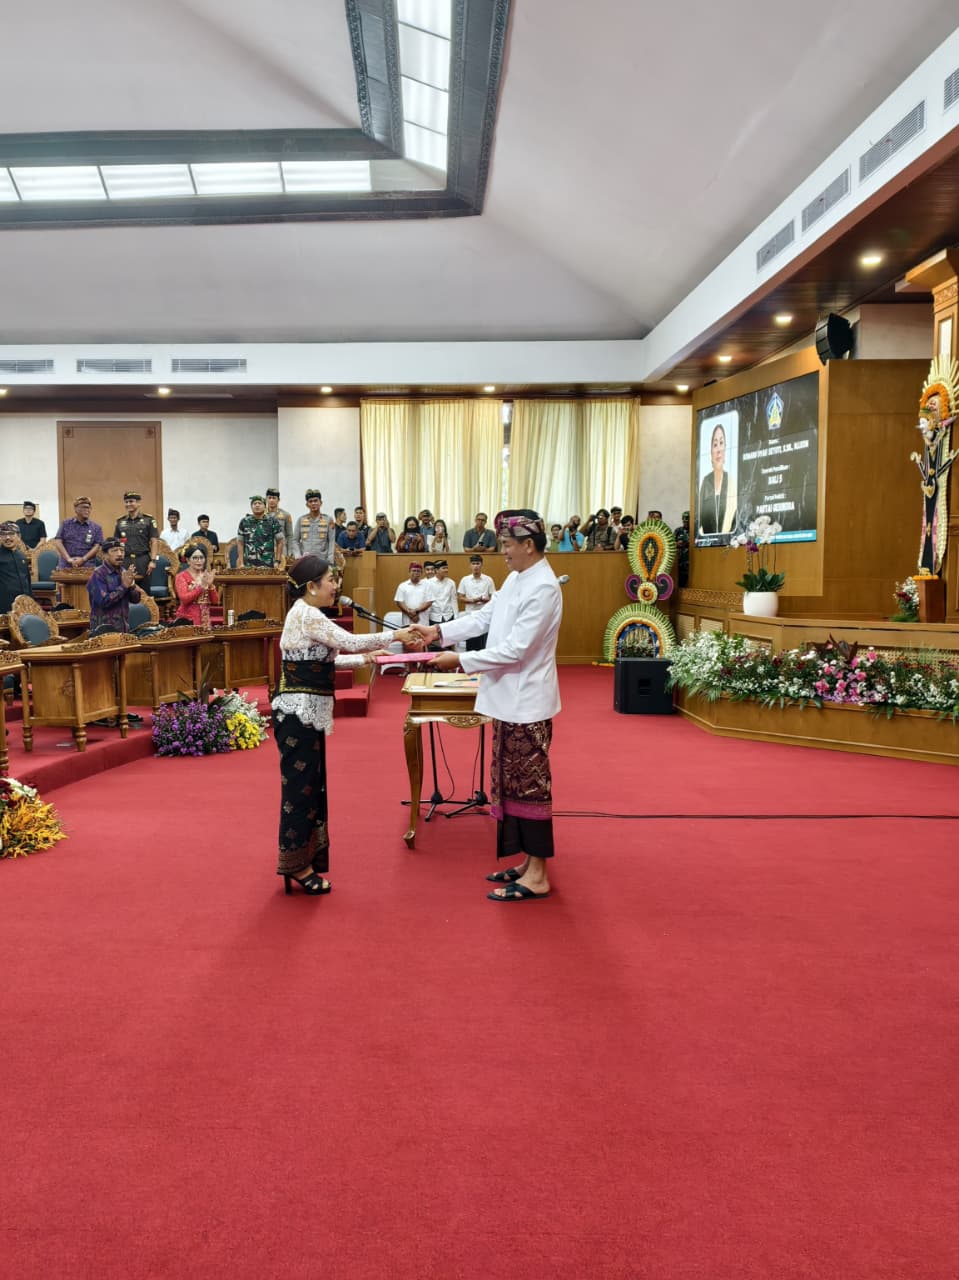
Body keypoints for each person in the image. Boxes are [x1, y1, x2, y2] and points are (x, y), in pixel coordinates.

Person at [413, 510, 562, 902]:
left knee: (530, 787)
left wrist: (461, 660)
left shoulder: (544, 587)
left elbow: (517, 650)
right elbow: (483, 617)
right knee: (510, 784)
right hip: (507, 699)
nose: (504, 554)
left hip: (527, 700)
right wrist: (440, 632)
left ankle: (539, 875)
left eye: (508, 546)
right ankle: (528, 864)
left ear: (529, 545)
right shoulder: (516, 578)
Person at [271, 554, 415, 895]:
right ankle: (297, 866)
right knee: (300, 791)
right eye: (331, 580)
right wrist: (396, 637)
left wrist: (367, 658)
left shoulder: (308, 616)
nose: (337, 585)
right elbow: (348, 641)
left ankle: (303, 859)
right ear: (311, 586)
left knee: (310, 787)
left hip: (304, 714)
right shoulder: (307, 614)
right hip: (297, 715)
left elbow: (323, 660)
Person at [87, 538, 142, 634]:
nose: (120, 554)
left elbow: (136, 600)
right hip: (103, 631)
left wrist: (132, 585)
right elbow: (104, 601)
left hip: (123, 629)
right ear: (104, 555)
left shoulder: (124, 572)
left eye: (122, 550)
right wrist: (124, 586)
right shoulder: (98, 574)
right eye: (115, 551)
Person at [698, 422, 737, 536]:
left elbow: (736, 521)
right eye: (715, 445)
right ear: (711, 451)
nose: (718, 449)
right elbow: (698, 521)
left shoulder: (731, 482)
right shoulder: (705, 481)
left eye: (721, 443)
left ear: (725, 448)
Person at [114, 491, 160, 587]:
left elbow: (154, 541)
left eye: (131, 501)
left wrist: (153, 561)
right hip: (125, 560)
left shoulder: (149, 520)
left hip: (143, 560)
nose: (128, 504)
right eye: (126, 502)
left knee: (145, 589)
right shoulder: (120, 521)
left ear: (139, 503)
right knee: (125, 588)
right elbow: (117, 543)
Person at [174, 544, 219, 628]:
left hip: (205, 619)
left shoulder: (206, 576)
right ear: (188, 560)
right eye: (195, 558)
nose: (199, 560)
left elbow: (215, 601)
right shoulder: (181, 576)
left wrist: (210, 586)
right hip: (187, 620)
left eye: (201, 558)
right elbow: (184, 599)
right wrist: (201, 587)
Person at [457, 554, 495, 650]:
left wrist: (486, 600)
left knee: (483, 645)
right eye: (473, 564)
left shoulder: (489, 579)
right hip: (470, 615)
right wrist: (473, 600)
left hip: (484, 616)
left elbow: (493, 598)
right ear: (470, 565)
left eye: (478, 563)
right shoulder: (465, 580)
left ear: (481, 565)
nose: (476, 566)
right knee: (470, 644)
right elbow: (460, 598)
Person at [53, 497, 103, 569]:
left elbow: (97, 546)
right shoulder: (66, 524)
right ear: (76, 509)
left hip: (87, 565)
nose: (87, 510)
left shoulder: (96, 527)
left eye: (89, 508)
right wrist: (68, 559)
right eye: (84, 507)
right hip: (66, 564)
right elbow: (58, 541)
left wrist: (83, 559)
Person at [238, 495, 284, 568]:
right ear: (251, 507)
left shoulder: (273, 521)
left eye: (260, 503)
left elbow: (280, 541)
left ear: (265, 506)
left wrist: (277, 561)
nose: (257, 505)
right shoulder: (244, 522)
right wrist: (241, 563)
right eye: (254, 503)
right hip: (248, 565)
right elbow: (240, 543)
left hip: (267, 564)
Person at [292, 489, 337, 561]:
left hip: (322, 560)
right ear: (307, 504)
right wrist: (298, 556)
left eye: (315, 501)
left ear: (321, 503)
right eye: (310, 501)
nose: (313, 503)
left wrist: (330, 559)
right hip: (305, 560)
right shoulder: (301, 520)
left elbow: (331, 541)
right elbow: (295, 540)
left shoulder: (328, 520)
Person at [0, 521, 32, 613]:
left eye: (11, 534)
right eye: (3, 534)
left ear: (19, 536)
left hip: (24, 603)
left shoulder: (22, 556)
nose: (8, 538)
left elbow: (28, 581)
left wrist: (31, 600)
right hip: (4, 604)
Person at [427, 560, 458, 629]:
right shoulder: (428, 583)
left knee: (449, 638)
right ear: (436, 570)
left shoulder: (451, 583)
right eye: (444, 568)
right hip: (434, 617)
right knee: (435, 639)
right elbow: (427, 602)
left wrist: (456, 616)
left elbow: (454, 600)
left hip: (449, 616)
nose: (446, 570)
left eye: (447, 568)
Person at [266, 488, 294, 557]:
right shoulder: (262, 515)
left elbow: (289, 535)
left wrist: (290, 552)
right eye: (269, 498)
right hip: (265, 551)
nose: (271, 500)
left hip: (281, 551)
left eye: (274, 498)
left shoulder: (286, 515)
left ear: (278, 500)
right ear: (266, 499)